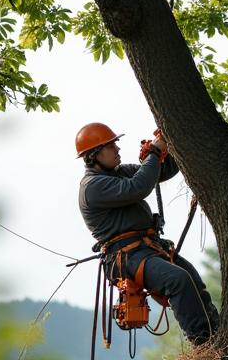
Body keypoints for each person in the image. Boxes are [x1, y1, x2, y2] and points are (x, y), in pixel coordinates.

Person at [75, 122, 219, 345]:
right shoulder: (93, 186)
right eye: (111, 146)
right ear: (94, 155)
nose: (118, 150)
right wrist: (153, 151)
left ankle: (218, 334)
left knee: (191, 278)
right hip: (127, 257)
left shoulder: (119, 172)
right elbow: (139, 187)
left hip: (147, 248)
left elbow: (159, 173)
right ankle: (202, 343)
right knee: (178, 279)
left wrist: (170, 146)